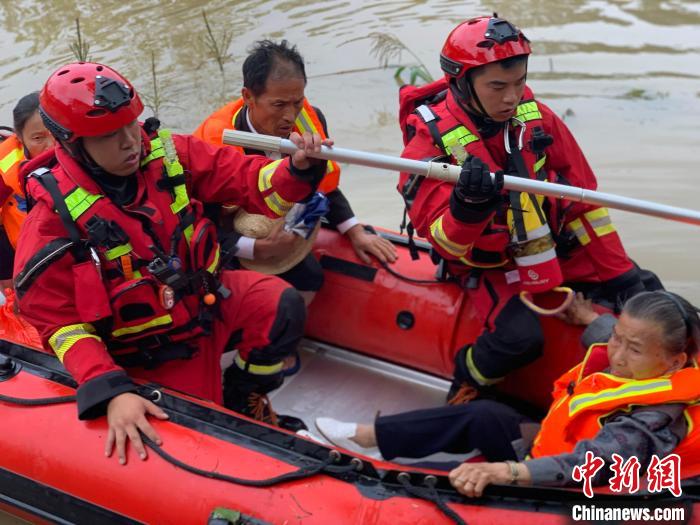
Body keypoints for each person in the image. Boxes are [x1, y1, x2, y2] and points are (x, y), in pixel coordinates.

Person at [13, 62, 328, 464]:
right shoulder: (51, 221)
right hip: (148, 348)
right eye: (110, 136)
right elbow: (61, 324)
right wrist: (109, 387)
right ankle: (227, 420)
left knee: (280, 306)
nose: (130, 142)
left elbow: (246, 178)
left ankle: (243, 392)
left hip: (206, 305)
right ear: (73, 143)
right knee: (207, 439)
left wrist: (296, 169)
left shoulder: (169, 153)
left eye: (131, 124)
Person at [397, 16, 654, 403]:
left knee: (647, 292)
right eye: (497, 86)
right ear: (461, 83)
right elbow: (447, 246)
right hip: (491, 267)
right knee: (519, 338)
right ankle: (467, 382)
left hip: (550, 250)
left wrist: (622, 276)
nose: (511, 98)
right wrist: (468, 208)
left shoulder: (538, 119)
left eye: (519, 83)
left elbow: (585, 205)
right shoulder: (427, 149)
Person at [316, 290, 700, 496]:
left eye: (633, 349)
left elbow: (589, 465)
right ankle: (368, 436)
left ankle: (358, 481)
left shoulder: (654, 420)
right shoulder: (655, 362)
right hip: (548, 448)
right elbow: (612, 337)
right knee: (483, 414)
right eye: (617, 338)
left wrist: (505, 471)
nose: (616, 354)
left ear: (674, 359)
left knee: (441, 482)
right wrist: (593, 320)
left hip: (563, 486)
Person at [194, 39, 396, 302]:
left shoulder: (311, 121)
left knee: (311, 277)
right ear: (248, 97)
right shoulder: (214, 146)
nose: (290, 117)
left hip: (284, 228)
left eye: (297, 102)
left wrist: (355, 230)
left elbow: (324, 183)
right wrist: (257, 249)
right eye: (278, 105)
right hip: (229, 240)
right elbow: (201, 223)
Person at [0, 92, 55, 285]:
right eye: (38, 138)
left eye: (55, 132)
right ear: (20, 139)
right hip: (25, 255)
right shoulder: (5, 165)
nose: (51, 146)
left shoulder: (92, 149)